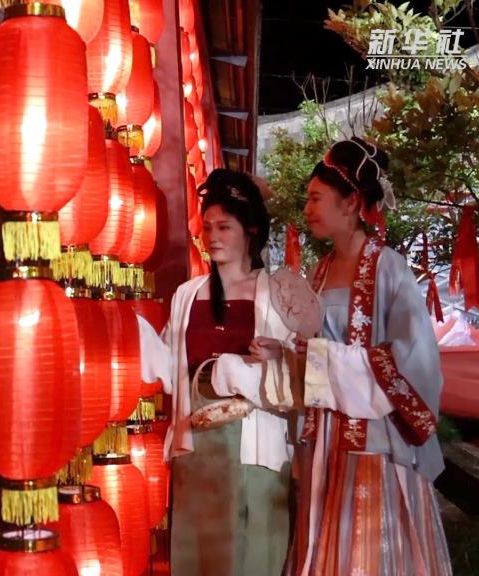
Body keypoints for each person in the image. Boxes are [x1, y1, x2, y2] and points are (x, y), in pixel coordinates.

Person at [285, 137, 452, 575]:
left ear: (351, 203)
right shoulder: (320, 271)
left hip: (376, 437)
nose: (308, 209)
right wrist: (294, 352)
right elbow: (315, 349)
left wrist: (328, 358)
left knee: (369, 549)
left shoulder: (389, 267)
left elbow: (412, 358)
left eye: (316, 198)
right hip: (328, 436)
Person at [158, 169, 315, 576]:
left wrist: (279, 354)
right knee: (197, 555)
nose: (213, 236)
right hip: (196, 444)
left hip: (254, 442)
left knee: (251, 554)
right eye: (208, 226)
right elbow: (168, 363)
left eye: (224, 226)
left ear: (251, 230)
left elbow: (315, 367)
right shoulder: (187, 294)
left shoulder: (281, 292)